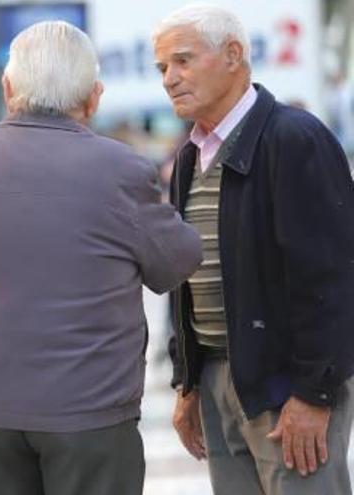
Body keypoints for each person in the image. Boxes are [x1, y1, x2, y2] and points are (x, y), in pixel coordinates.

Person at [0, 21, 202, 494]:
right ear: (93, 97)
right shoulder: (122, 170)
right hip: (91, 413)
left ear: (8, 88)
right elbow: (176, 263)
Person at [154, 5, 354, 493]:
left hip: (287, 388)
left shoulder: (294, 139)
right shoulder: (189, 158)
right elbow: (188, 279)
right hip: (220, 385)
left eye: (182, 61)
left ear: (233, 55)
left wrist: (314, 393)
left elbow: (333, 279)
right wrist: (189, 384)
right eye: (162, 68)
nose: (170, 79)